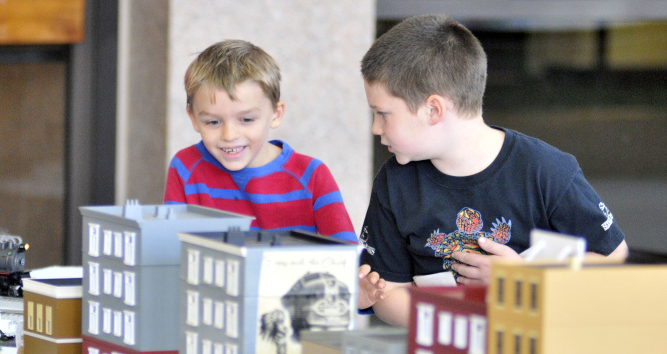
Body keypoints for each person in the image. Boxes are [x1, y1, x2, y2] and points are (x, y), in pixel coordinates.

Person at [356, 14, 627, 327]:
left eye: (383, 114)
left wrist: (525, 277)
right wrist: (455, 326)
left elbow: (614, 258)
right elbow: (388, 292)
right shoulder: (395, 182)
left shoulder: (545, 170)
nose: (376, 128)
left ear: (434, 110)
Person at [163, 39, 357, 242]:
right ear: (193, 118)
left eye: (246, 119)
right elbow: (169, 252)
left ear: (276, 113)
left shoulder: (312, 176)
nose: (229, 135)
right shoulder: (184, 168)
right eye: (213, 122)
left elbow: (347, 257)